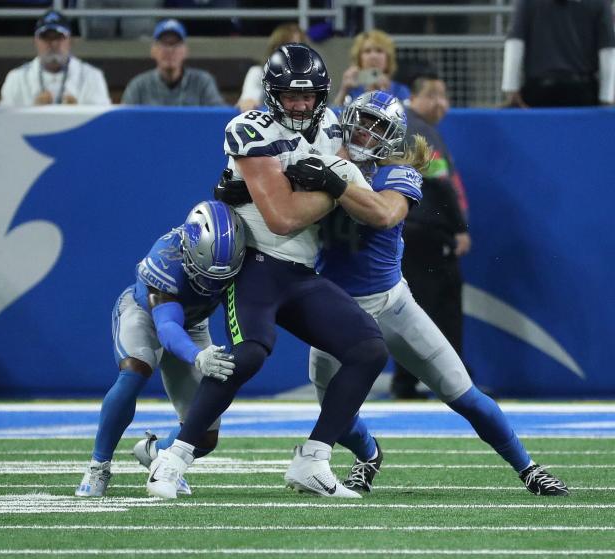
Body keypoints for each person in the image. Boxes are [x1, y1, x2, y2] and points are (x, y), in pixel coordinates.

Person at [144, 43, 390, 500]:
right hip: (254, 263)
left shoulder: (333, 126)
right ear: (272, 94)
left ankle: (313, 460)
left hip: (299, 270)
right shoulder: (250, 129)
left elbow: (372, 209)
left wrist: (333, 178)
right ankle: (172, 457)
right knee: (252, 353)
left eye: (309, 96)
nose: (300, 105)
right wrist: (337, 183)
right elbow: (281, 216)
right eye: (291, 96)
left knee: (369, 348)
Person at [302, 90, 569, 497]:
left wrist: (332, 178)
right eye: (362, 119)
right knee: (335, 410)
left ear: (392, 136)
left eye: (377, 125)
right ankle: (369, 454)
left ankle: (528, 467)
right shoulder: (325, 164)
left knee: (463, 395)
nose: (365, 130)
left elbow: (384, 213)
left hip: (391, 306)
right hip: (334, 311)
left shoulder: (397, 174)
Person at [75, 201, 246, 497]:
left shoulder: (240, 255)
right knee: (135, 371)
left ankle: (158, 454)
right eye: (204, 273)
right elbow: (167, 328)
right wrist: (197, 355)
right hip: (147, 314)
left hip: (194, 325)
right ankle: (98, 464)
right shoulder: (165, 259)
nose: (210, 283)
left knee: (204, 435)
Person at [390, 73, 471, 401]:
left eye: (445, 95)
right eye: (434, 95)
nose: (442, 103)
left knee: (412, 306)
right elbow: (440, 182)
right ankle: (452, 383)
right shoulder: (421, 132)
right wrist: (459, 227)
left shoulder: (405, 126)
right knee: (441, 306)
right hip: (426, 231)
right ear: (415, 97)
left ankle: (405, 381)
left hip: (405, 230)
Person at [501, 0, 615, 107]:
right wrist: (606, 96)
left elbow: (515, 43)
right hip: (583, 91)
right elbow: (607, 50)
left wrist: (511, 88)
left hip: (538, 90)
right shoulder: (600, 2)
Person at [0, 10, 111, 107]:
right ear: (35, 42)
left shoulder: (92, 76)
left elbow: (103, 123)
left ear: (71, 41)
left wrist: (78, 114)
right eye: (46, 38)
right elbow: (4, 123)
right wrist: (33, 113)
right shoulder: (16, 78)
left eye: (59, 37)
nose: (53, 43)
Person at [121, 19, 226, 106]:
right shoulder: (139, 86)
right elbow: (124, 122)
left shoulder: (202, 82)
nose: (170, 50)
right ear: (153, 50)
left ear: (185, 51)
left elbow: (219, 117)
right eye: (164, 44)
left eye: (175, 44)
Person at [236, 22, 308, 112]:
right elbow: (249, 99)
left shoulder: (311, 75)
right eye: (287, 47)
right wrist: (249, 101)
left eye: (298, 47)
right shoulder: (258, 72)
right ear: (275, 49)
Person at [332, 29, 410, 108]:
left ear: (388, 59)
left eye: (379, 51)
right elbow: (332, 117)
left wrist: (384, 92)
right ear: (359, 59)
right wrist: (343, 90)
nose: (373, 56)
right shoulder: (351, 90)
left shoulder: (400, 91)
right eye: (367, 51)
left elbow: (405, 118)